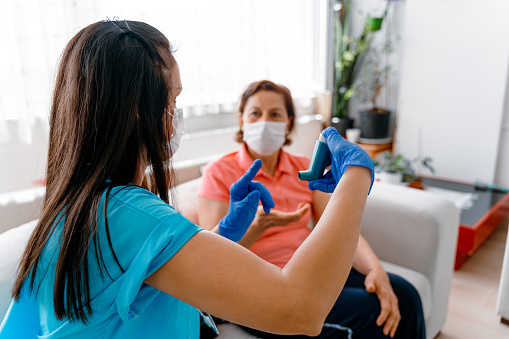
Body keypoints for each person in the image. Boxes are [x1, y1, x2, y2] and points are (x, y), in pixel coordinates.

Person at [0, 20, 375, 338]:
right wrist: (355, 177)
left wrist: (225, 234)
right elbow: (301, 309)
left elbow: (152, 276)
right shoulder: (131, 215)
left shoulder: (82, 204)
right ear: (136, 110)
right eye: (172, 101)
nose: (174, 116)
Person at [197, 80, 426, 339]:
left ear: (289, 122)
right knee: (370, 310)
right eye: (255, 113)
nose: (264, 122)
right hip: (261, 284)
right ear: (242, 120)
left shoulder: (306, 168)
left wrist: (376, 270)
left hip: (311, 268)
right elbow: (211, 262)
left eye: (275, 114)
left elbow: (341, 228)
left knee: (405, 294)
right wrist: (257, 227)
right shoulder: (220, 172)